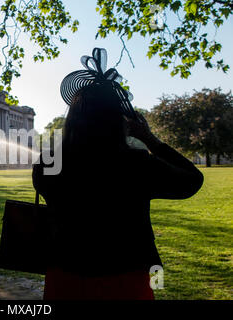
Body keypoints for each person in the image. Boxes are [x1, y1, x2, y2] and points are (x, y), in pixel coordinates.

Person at [33, 48, 204, 300]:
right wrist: (150, 140)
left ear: (72, 118)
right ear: (119, 120)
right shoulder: (137, 164)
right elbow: (191, 180)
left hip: (64, 278)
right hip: (125, 281)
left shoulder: (49, 164)